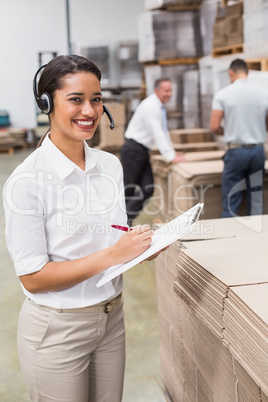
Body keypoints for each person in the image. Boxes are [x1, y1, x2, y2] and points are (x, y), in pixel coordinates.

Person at [3, 54, 165, 402]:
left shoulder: (110, 165)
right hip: (58, 328)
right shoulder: (26, 181)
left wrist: (140, 248)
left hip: (111, 318)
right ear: (46, 103)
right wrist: (112, 255)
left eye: (96, 99)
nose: (89, 111)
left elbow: (114, 235)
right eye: (76, 99)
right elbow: (33, 276)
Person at [120, 78, 185, 225]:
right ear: (157, 91)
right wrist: (169, 156)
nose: (169, 94)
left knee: (148, 188)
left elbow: (164, 132)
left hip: (141, 150)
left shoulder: (158, 106)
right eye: (166, 91)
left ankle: (125, 220)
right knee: (128, 189)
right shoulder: (151, 106)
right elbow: (158, 133)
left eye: (170, 90)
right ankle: (120, 223)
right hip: (133, 150)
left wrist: (173, 154)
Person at [210, 58, 268, 218]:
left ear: (231, 73)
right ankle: (257, 238)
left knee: (231, 199)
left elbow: (214, 126)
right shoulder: (264, 94)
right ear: (247, 73)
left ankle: (231, 238)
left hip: (236, 152)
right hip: (257, 150)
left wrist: (229, 130)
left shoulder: (223, 95)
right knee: (256, 197)